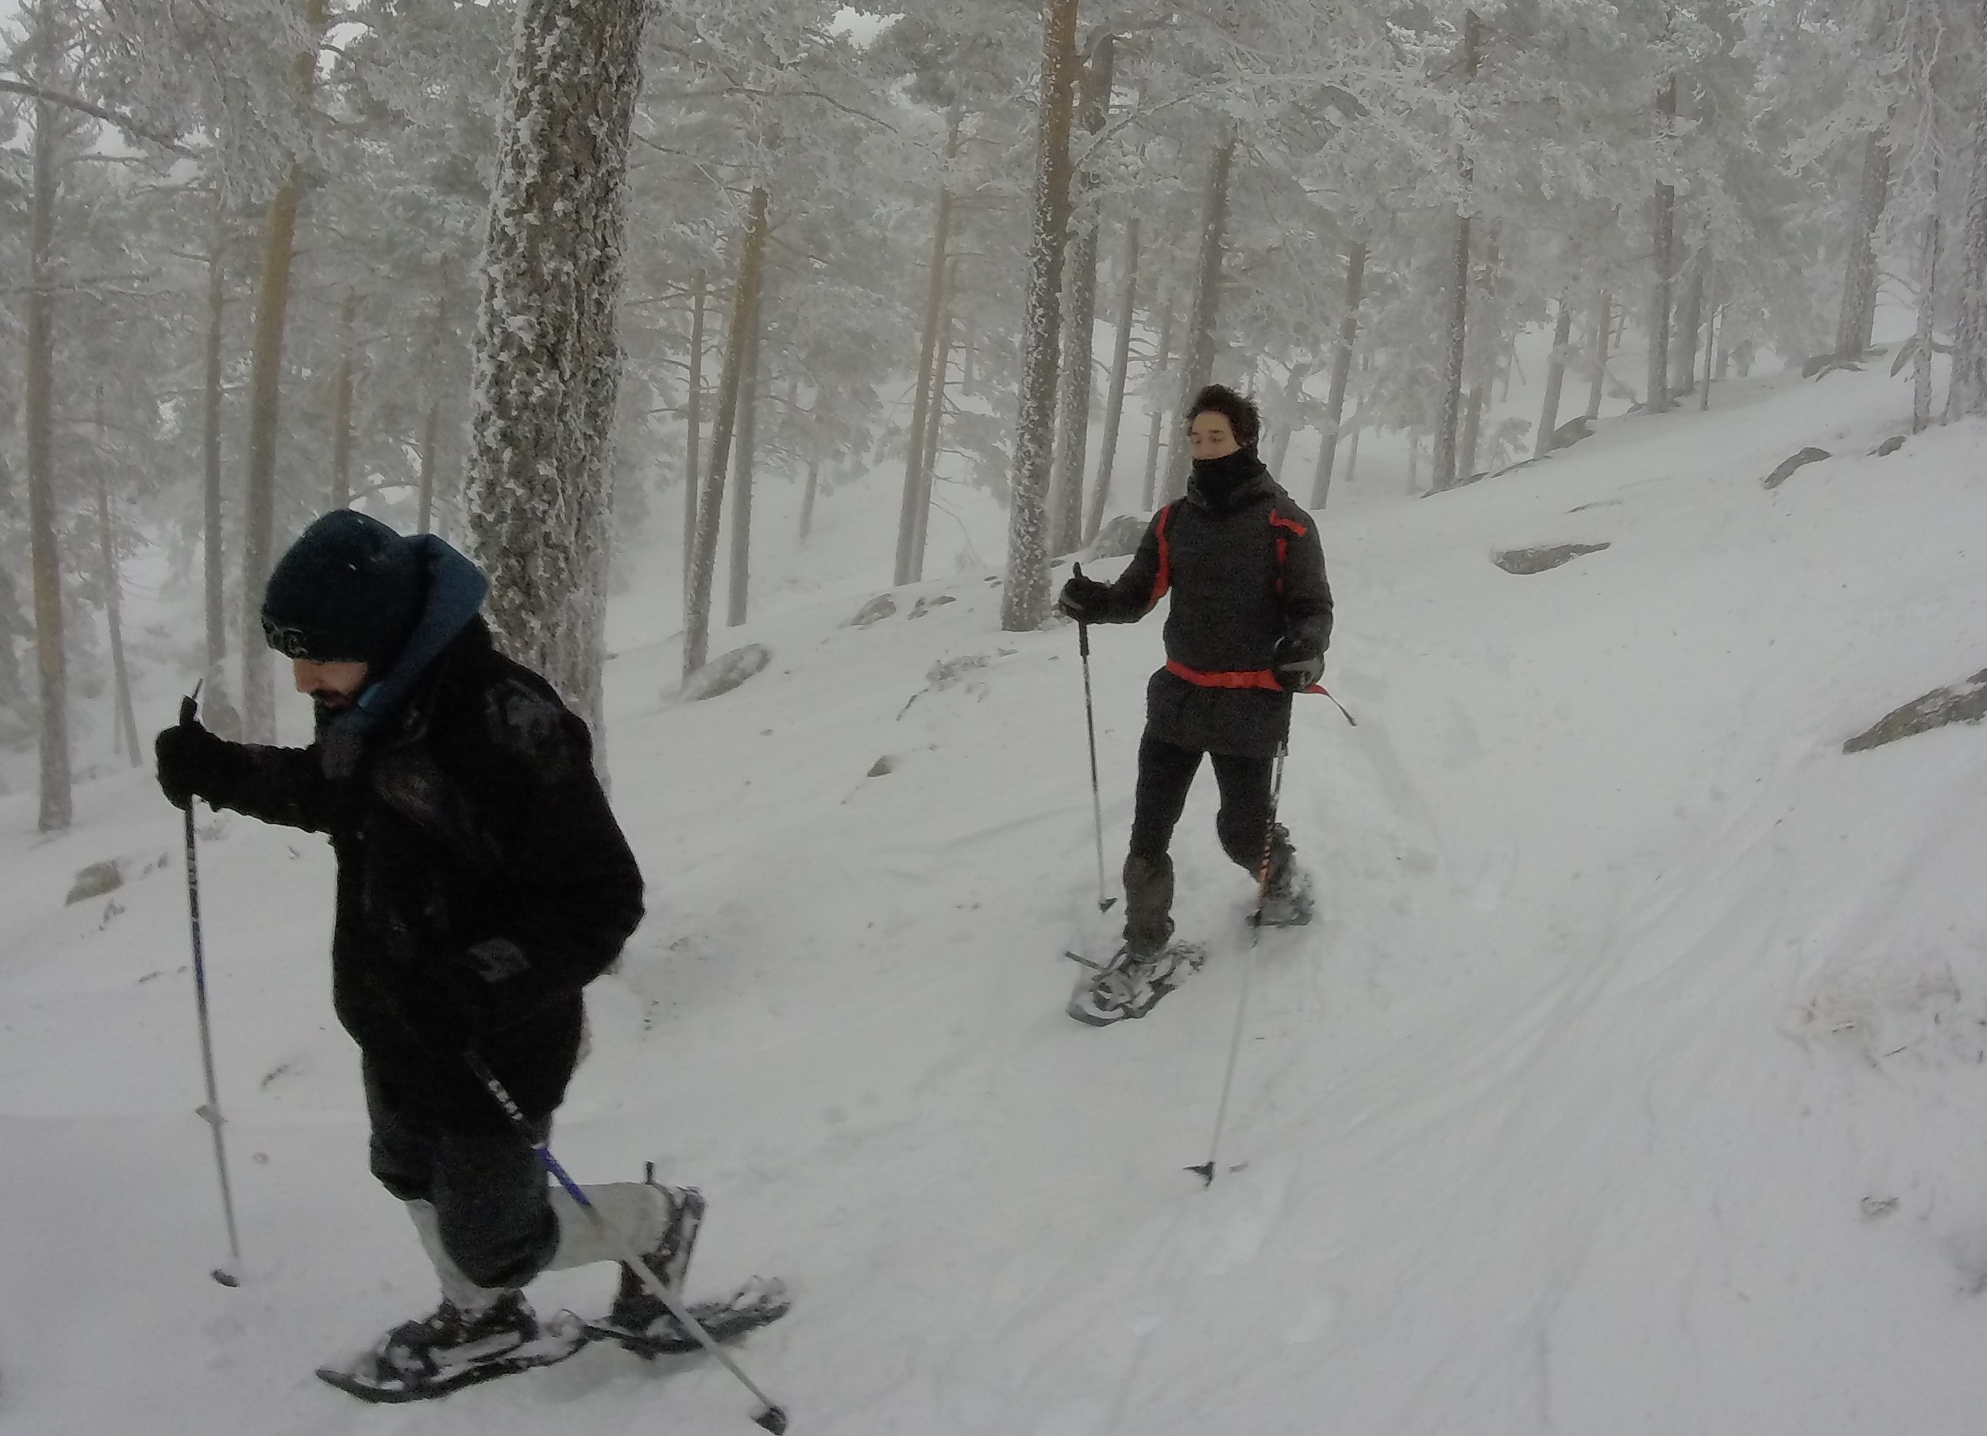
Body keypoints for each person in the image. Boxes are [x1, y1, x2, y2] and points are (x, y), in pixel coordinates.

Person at [153, 509, 698, 1393]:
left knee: (496, 1240)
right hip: (394, 1014)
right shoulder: (370, 706)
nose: (302, 679)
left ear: (380, 637)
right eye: (291, 657)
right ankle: (484, 1320)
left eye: (317, 656)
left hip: (496, 1036)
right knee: (405, 1169)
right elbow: (335, 793)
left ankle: (658, 1223)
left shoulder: (506, 725)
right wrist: (219, 770)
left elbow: (601, 899)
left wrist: (477, 986)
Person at [1057, 384, 1333, 998]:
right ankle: (1146, 949)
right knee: (1148, 833)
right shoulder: (1173, 521)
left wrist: (1306, 649)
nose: (1205, 448)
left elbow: (1312, 608)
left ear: (1244, 440)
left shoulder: (1285, 522)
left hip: (1250, 704)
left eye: (1217, 437)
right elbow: (1135, 595)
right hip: (1178, 698)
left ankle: (1282, 880)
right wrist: (1093, 601)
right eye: (1196, 438)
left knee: (1241, 832)